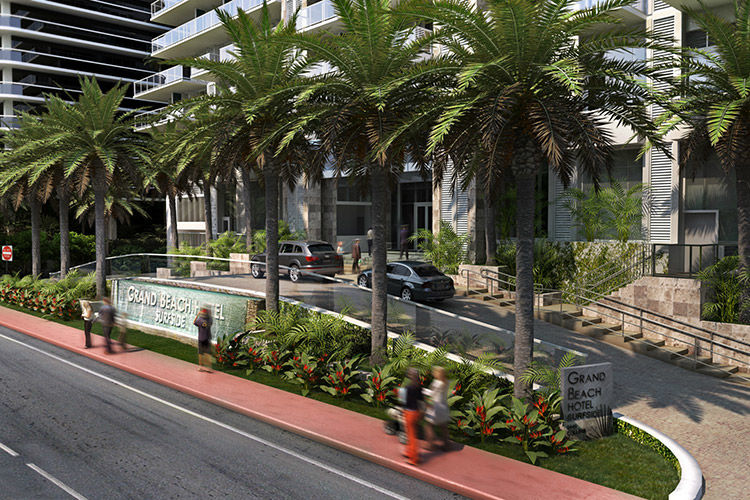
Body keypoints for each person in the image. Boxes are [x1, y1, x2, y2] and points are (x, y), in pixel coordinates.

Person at [424, 366, 450, 451]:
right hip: (444, 407)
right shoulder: (446, 382)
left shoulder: (436, 383)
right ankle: (446, 445)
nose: (432, 373)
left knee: (428, 426)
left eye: (434, 372)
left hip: (436, 407)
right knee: (443, 427)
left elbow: (432, 394)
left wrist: (423, 390)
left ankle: (430, 445)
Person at [402, 367, 423, 466]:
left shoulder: (408, 387)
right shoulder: (419, 386)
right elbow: (421, 400)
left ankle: (413, 458)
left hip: (409, 412)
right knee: (410, 433)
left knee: (411, 435)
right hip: (416, 412)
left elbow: (404, 401)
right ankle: (409, 452)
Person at [194, 307, 213, 372]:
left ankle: (200, 367)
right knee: (207, 353)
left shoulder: (199, 320)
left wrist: (198, 314)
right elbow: (209, 322)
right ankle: (209, 367)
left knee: (200, 353)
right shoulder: (209, 319)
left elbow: (194, 322)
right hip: (207, 338)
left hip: (201, 339)